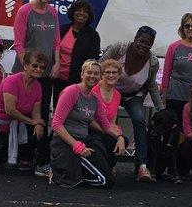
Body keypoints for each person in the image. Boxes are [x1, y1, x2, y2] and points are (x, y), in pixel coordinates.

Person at [100, 26, 164, 182]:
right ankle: (109, 164)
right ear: (135, 39)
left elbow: (151, 87)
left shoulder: (153, 62)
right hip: (110, 92)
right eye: (141, 41)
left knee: (139, 120)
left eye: (148, 43)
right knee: (109, 122)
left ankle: (142, 166)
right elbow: (99, 66)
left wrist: (161, 110)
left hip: (132, 96)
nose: (144, 45)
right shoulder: (119, 49)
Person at [12, 0, 60, 177]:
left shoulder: (54, 12)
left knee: (40, 114)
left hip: (47, 72)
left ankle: (41, 161)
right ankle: (23, 157)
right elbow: (19, 43)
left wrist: (57, 62)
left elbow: (56, 40)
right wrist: (28, 68)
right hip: (26, 70)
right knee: (23, 112)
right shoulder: (24, 11)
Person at [50, 60, 126, 188]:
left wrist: (120, 137)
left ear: (100, 76)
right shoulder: (71, 92)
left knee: (108, 178)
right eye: (89, 72)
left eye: (96, 73)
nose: (92, 76)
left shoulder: (94, 98)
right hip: (66, 144)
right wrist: (77, 146)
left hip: (85, 141)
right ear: (82, 74)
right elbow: (56, 124)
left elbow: (105, 125)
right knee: (105, 182)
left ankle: (80, 171)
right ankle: (62, 172)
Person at [55, 0, 101, 108]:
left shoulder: (93, 35)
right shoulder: (62, 29)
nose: (81, 13)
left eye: (85, 11)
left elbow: (93, 61)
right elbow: (54, 50)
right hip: (58, 78)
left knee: (74, 110)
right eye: (78, 10)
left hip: (78, 81)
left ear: (89, 15)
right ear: (72, 12)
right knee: (58, 107)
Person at [90, 59, 126, 172]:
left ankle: (108, 167)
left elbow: (113, 122)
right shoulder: (93, 90)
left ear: (119, 75)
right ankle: (108, 167)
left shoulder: (117, 95)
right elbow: (89, 120)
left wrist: (118, 136)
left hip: (106, 130)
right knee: (110, 139)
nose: (111, 75)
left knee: (123, 139)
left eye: (114, 72)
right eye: (107, 72)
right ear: (102, 75)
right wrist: (112, 133)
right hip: (91, 129)